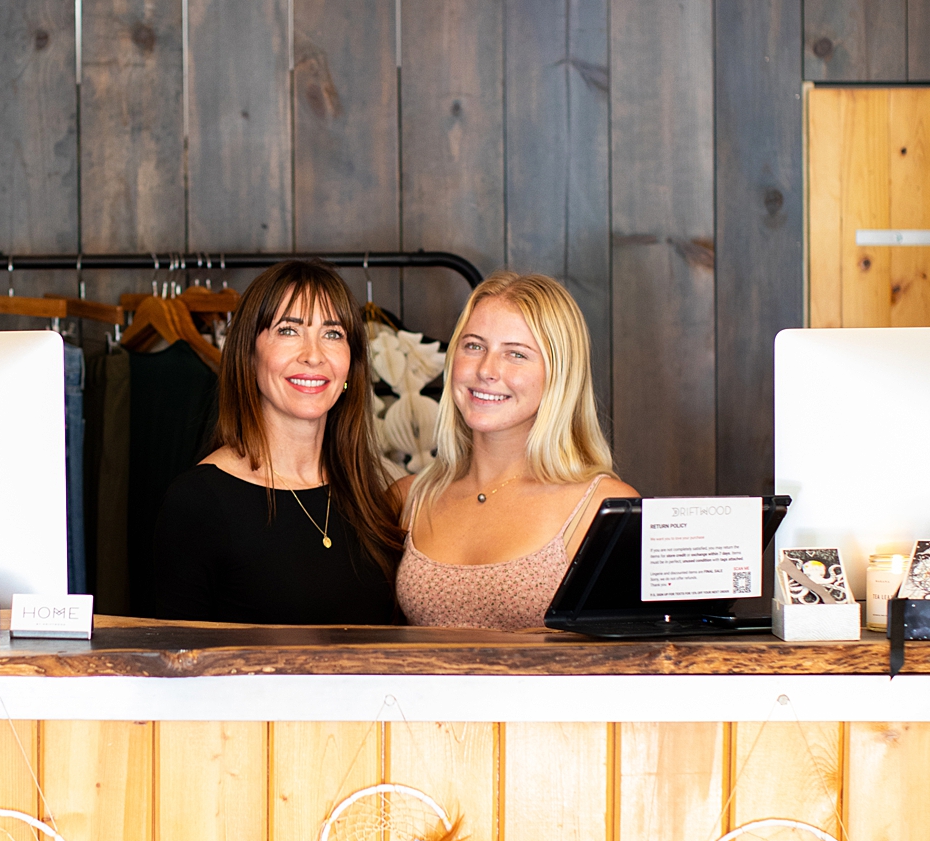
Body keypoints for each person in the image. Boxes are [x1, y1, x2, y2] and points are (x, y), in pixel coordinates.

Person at [155, 259, 403, 623]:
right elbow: (177, 671)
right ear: (249, 355)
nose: (313, 355)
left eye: (333, 334)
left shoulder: (378, 493)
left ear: (352, 365)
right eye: (289, 330)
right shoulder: (197, 502)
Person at [396, 271, 635, 629]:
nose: (487, 370)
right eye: (474, 346)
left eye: (516, 354)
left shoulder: (605, 507)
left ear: (559, 374)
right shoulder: (408, 499)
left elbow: (636, 665)